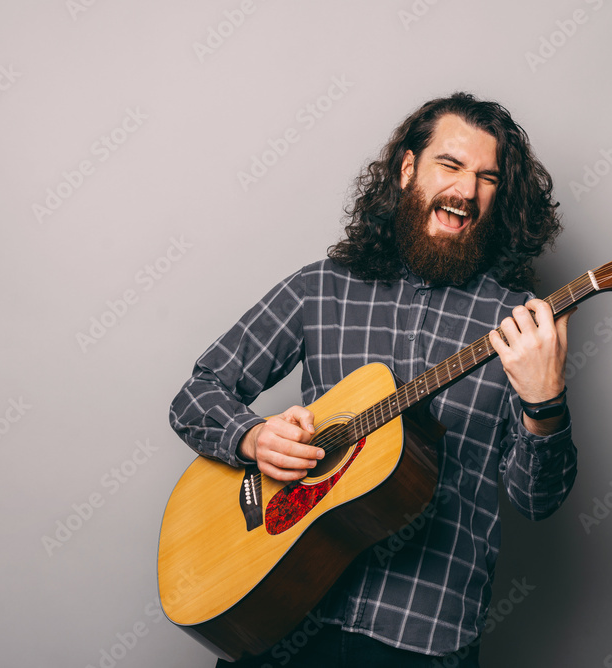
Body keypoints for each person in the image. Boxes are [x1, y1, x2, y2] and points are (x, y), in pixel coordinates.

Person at [170, 92, 578, 667]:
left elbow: (536, 500)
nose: (465, 191)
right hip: (282, 614)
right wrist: (254, 438)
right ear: (409, 169)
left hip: (423, 636)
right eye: (451, 165)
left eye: (487, 178)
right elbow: (197, 394)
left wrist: (545, 402)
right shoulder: (322, 288)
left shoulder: (521, 327)